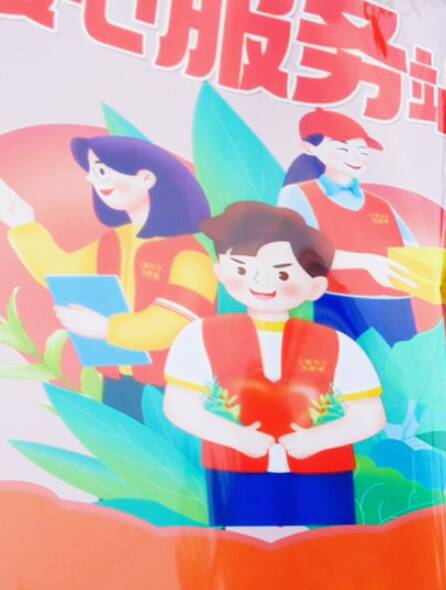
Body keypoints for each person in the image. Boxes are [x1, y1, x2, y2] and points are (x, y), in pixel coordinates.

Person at [162, 202, 384, 528]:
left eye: (281, 273)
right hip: (237, 475)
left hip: (322, 473)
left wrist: (316, 441)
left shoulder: (339, 345)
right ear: (220, 272)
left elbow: (370, 415)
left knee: (325, 548)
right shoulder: (199, 337)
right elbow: (180, 406)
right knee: (244, 548)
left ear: (316, 286)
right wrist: (236, 438)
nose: (261, 282)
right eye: (242, 269)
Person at [0, 135, 216, 418]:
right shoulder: (114, 241)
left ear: (146, 178)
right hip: (117, 380)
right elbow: (67, 275)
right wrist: (24, 226)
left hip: (172, 385)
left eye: (101, 170)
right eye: (91, 171)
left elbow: (175, 321)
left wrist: (108, 329)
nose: (90, 178)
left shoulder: (189, 254)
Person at [276, 108, 429, 345]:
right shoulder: (297, 194)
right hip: (330, 304)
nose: (356, 157)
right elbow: (298, 252)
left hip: (395, 310)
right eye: (343, 148)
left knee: (395, 366)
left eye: (362, 151)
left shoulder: (381, 205)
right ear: (309, 148)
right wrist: (368, 262)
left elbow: (412, 251)